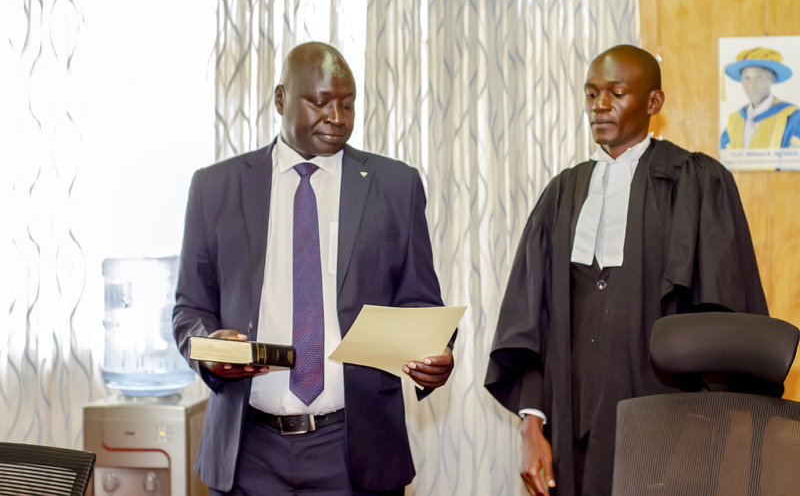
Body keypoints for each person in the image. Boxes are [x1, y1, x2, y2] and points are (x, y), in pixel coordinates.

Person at [484, 45, 768, 496]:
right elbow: (528, 319)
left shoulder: (696, 183)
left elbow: (724, 318)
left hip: (671, 428)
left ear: (653, 103)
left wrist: (703, 433)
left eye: (616, 93)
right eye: (592, 93)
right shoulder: (561, 194)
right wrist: (531, 425)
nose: (599, 105)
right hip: (570, 425)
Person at [173, 42, 454, 496]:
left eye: (347, 104)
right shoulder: (215, 187)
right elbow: (189, 309)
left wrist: (434, 355)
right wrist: (208, 348)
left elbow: (420, 301)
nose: (337, 117)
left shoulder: (396, 186)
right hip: (247, 450)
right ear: (282, 99)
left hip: (355, 450)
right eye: (320, 103)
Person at [720, 47, 800, 149]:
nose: (751, 85)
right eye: (747, 78)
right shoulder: (735, 120)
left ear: (772, 78)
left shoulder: (792, 117)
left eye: (759, 78)